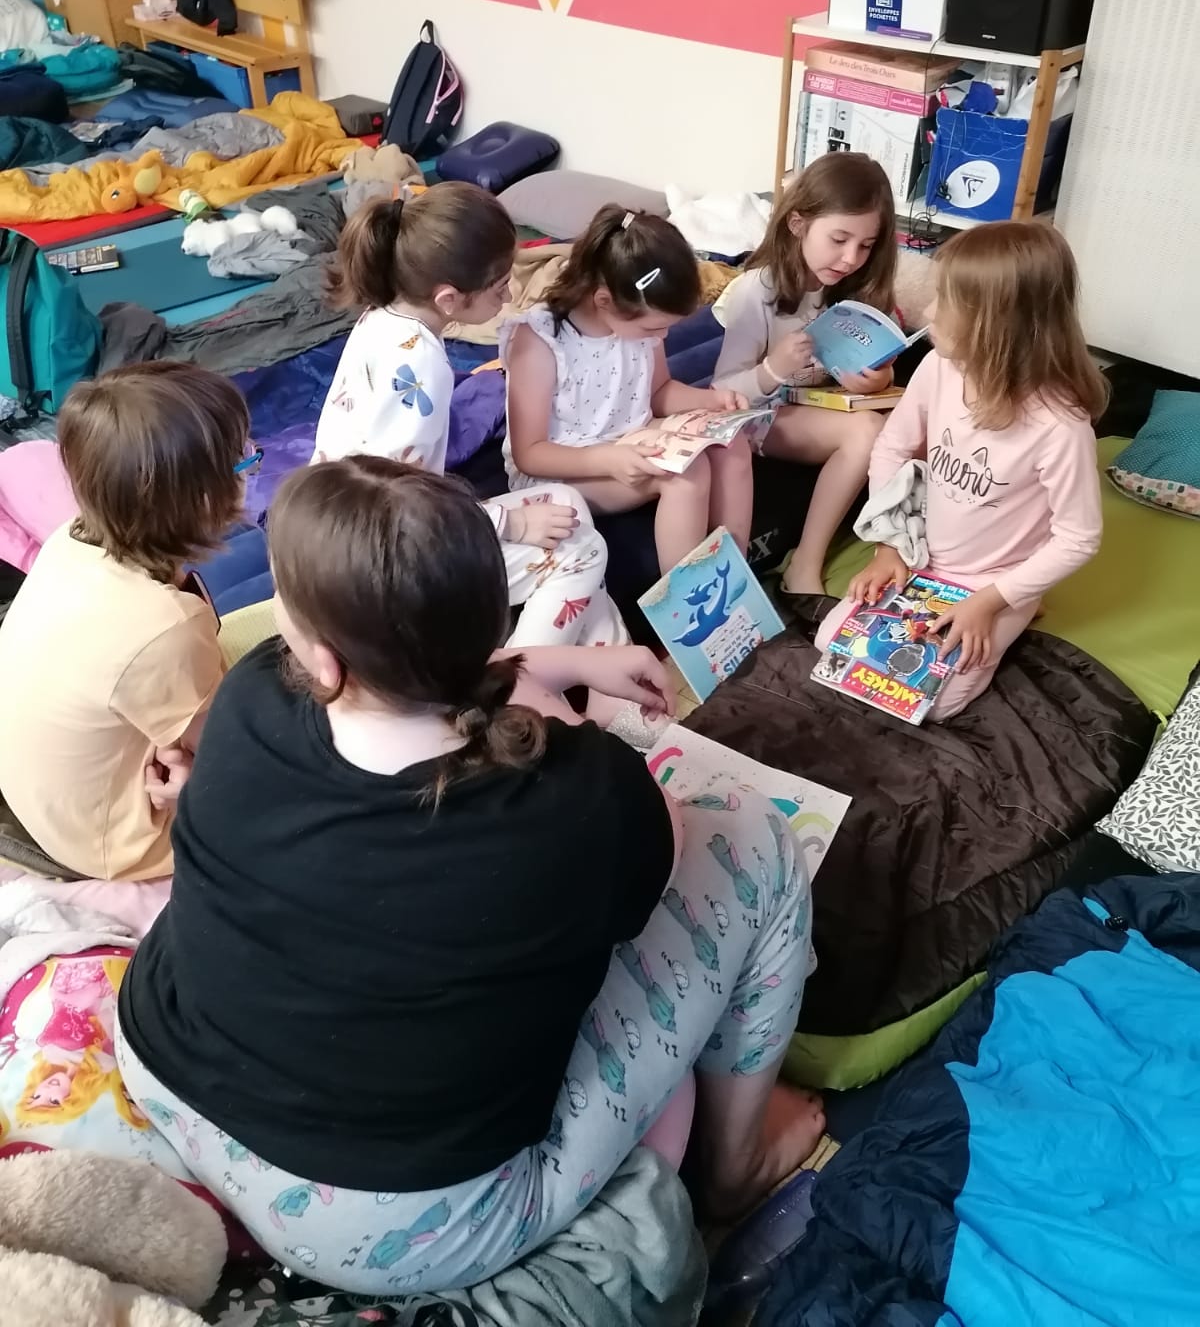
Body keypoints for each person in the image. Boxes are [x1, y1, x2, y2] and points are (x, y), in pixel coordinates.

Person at [115, 458, 823, 1294]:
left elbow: (412, 682)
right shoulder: (579, 797)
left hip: (162, 1066)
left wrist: (538, 672)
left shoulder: (250, 695)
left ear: (326, 661)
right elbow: (666, 849)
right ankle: (738, 1167)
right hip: (384, 1223)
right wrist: (550, 701)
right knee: (751, 838)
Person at [313, 184, 624, 646]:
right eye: (499, 288)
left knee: (566, 504)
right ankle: (527, 678)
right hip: (383, 568)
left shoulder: (382, 318)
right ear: (448, 299)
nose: (511, 295)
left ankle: (606, 661)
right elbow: (403, 506)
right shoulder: (422, 364)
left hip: (345, 536)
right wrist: (510, 524)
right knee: (584, 552)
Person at [820, 220, 1107, 720]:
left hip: (995, 582)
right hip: (921, 557)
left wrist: (994, 600)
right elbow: (892, 448)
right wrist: (890, 547)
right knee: (831, 647)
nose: (929, 313)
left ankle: (1024, 604)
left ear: (996, 323)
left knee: (938, 704)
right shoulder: (938, 366)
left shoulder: (1061, 426)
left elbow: (1079, 538)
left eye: (945, 302)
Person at [0, 363, 255, 881]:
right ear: (201, 497)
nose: (253, 463)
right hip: (120, 842)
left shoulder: (70, 537)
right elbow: (228, 757)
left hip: (49, 801)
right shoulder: (165, 626)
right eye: (244, 458)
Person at [503, 206, 753, 575]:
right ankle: (687, 605)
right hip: (566, 466)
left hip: (631, 436)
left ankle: (736, 580)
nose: (662, 336)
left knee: (732, 444)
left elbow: (659, 392)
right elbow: (530, 455)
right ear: (604, 301)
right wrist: (609, 460)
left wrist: (712, 400)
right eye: (654, 329)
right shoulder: (540, 340)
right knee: (686, 474)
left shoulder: (639, 324)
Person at [712, 153, 899, 595]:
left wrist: (879, 379)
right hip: (761, 417)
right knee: (867, 432)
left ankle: (901, 551)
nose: (850, 258)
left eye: (866, 246)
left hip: (824, 407)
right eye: (839, 239)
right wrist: (773, 368)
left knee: (910, 424)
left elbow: (877, 360)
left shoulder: (855, 290)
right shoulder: (757, 291)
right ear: (797, 224)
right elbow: (721, 391)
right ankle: (805, 564)